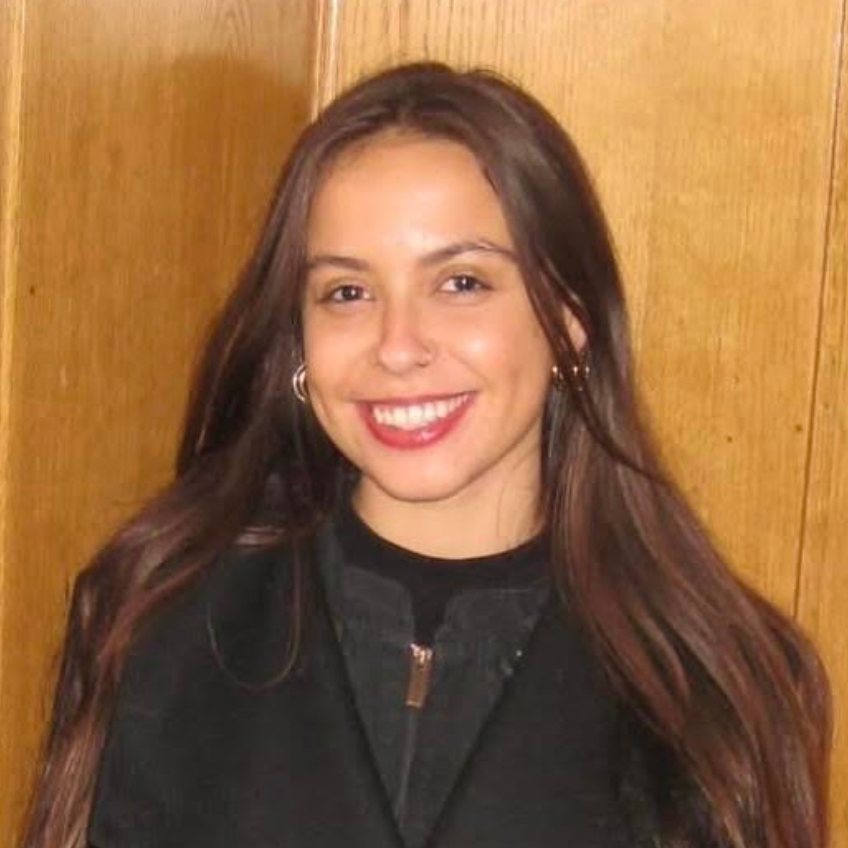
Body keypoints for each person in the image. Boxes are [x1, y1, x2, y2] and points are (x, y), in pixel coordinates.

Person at [20, 62, 830, 848]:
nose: (398, 345)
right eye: (347, 292)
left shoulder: (723, 686)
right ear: (298, 336)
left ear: (569, 319)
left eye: (461, 283)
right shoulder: (155, 620)